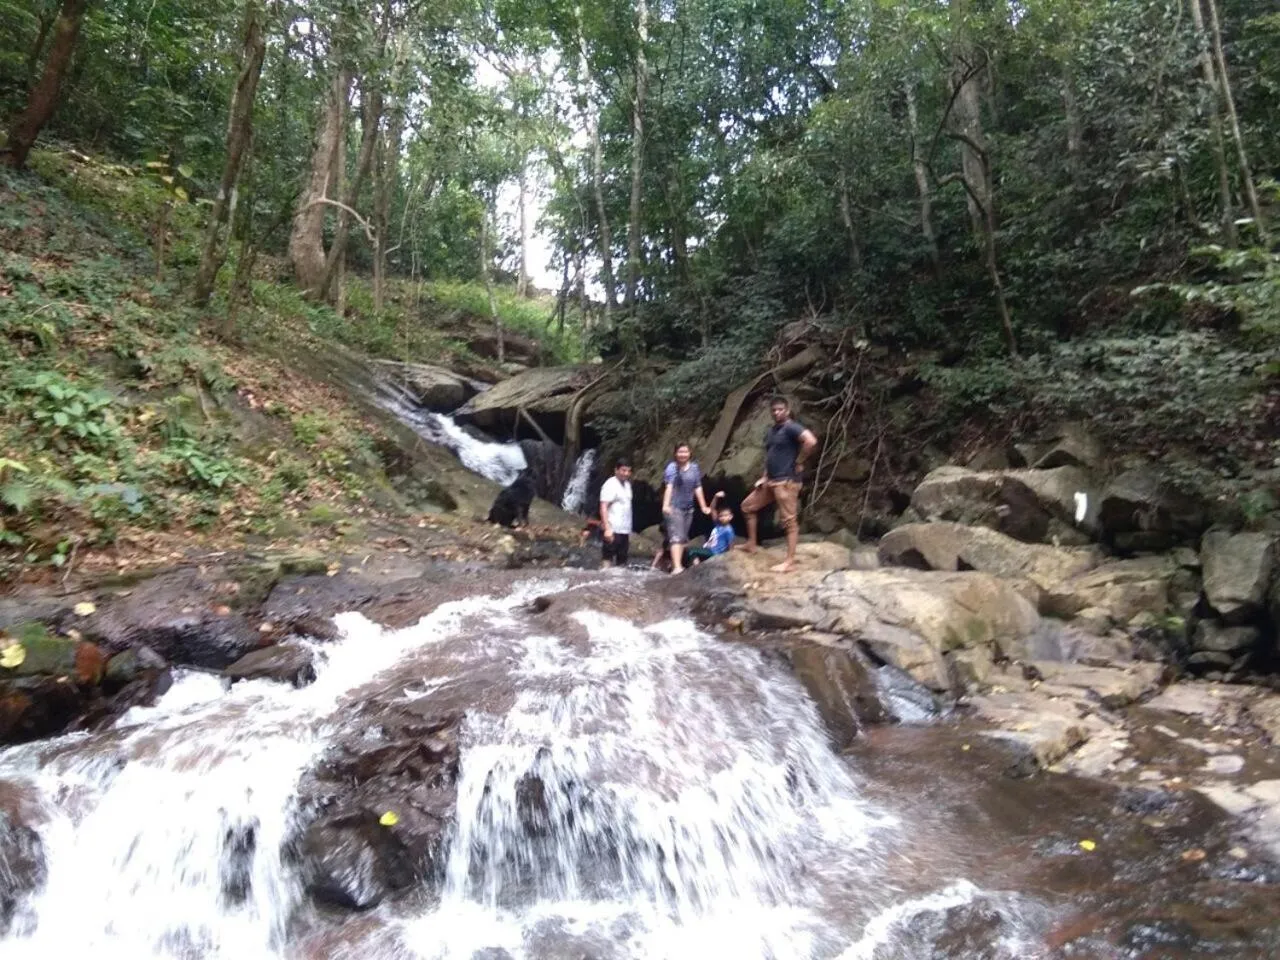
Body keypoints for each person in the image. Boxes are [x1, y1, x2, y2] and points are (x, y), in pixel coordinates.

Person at [741, 395, 818, 573]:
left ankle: (789, 562)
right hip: (771, 481)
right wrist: (764, 477)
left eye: (780, 409)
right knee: (747, 507)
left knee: (789, 521)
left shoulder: (791, 427)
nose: (776, 412)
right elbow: (771, 457)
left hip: (786, 481)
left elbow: (811, 441)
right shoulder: (772, 431)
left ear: (787, 410)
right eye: (774, 410)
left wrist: (799, 461)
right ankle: (751, 543)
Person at [661, 442, 713, 574]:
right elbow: (669, 486)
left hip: (688, 508)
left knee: (683, 537)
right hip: (674, 507)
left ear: (690, 453)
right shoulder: (672, 467)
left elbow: (698, 487)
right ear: (675, 454)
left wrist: (703, 506)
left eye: (685, 451)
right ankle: (677, 567)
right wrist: (666, 505)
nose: (683, 454)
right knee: (676, 537)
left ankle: (673, 564)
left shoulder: (694, 468)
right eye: (680, 452)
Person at [598, 458, 633, 567]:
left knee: (622, 559)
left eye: (628, 471)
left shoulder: (627, 485)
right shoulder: (610, 484)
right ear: (616, 470)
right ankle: (603, 579)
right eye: (623, 470)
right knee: (607, 557)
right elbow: (603, 506)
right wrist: (607, 528)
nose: (626, 473)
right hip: (613, 528)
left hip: (624, 529)